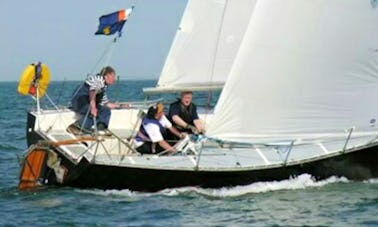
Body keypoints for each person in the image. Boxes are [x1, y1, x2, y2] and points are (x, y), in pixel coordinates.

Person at [71, 66, 127, 132]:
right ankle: (78, 126)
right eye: (113, 77)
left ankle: (101, 128)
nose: (114, 79)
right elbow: (92, 91)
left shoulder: (103, 86)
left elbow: (106, 103)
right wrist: (93, 107)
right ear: (107, 76)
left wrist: (121, 106)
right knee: (97, 111)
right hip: (79, 102)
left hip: (87, 102)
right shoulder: (99, 80)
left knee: (106, 110)